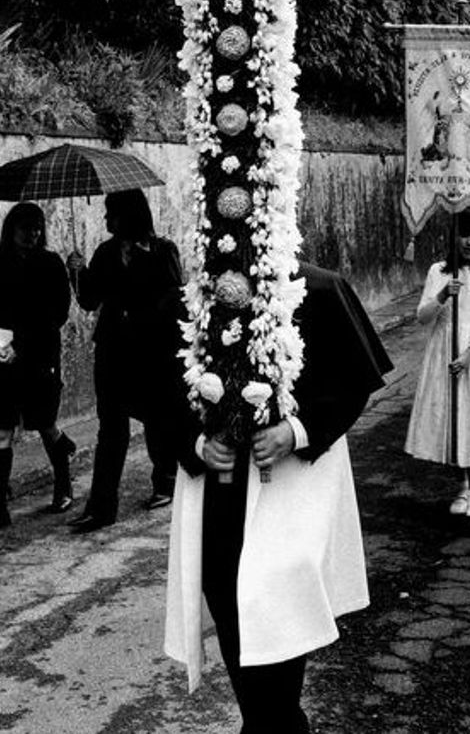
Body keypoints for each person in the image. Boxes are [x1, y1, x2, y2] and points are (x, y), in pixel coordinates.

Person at [164, 263, 393, 734]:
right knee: (231, 612)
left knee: (279, 614)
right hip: (219, 501)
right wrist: (198, 443)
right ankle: (264, 722)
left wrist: (296, 431)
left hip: (287, 497)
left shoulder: (318, 290)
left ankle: (278, 723)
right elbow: (159, 395)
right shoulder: (188, 304)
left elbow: (352, 384)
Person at [66, 188, 182, 531]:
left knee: (158, 420)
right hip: (113, 352)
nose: (106, 220)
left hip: (152, 353)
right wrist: (78, 273)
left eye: (111, 213)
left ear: (129, 215)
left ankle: (166, 480)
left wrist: (144, 318)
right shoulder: (105, 252)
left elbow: (175, 298)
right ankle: (101, 507)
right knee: (111, 429)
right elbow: (89, 300)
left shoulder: (163, 251)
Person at [0, 202, 74, 537]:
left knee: (44, 424)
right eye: (26, 228)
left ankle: (63, 484)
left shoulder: (52, 264)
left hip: (41, 360)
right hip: (3, 363)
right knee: (1, 431)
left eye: (37, 228)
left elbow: (58, 314)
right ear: (11, 230)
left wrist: (22, 344)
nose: (33, 234)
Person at [405, 209, 470, 520]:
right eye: (464, 235)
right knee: (454, 418)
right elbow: (422, 317)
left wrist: (469, 354)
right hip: (444, 348)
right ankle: (461, 486)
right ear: (454, 238)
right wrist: (441, 296)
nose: (469, 242)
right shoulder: (440, 270)